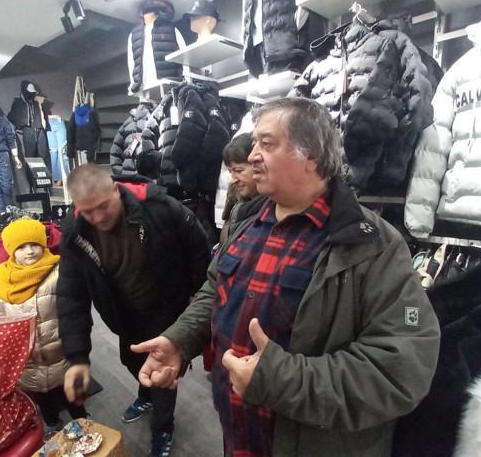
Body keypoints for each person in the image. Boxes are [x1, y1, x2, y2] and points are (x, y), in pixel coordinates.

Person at [131, 97, 440, 457]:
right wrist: (180, 340)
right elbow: (215, 289)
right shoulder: (246, 223)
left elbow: (401, 369)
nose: (252, 156)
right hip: (239, 436)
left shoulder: (373, 246)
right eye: (254, 144)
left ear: (311, 156)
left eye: (267, 143)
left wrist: (279, 380)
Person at [56, 166, 210, 457]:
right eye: (88, 212)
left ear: (116, 190)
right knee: (131, 361)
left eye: (104, 206)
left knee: (162, 374)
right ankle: (146, 394)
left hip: (166, 307)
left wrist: (197, 296)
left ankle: (162, 426)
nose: (98, 217)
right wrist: (77, 357)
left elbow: (198, 246)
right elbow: (71, 295)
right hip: (122, 313)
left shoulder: (159, 207)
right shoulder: (76, 232)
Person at [0, 218, 88, 435]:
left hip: (59, 350)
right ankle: (51, 422)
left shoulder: (59, 271)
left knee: (70, 392)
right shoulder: (1, 280)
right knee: (41, 395)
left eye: (35, 244)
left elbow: (73, 309)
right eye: (21, 247)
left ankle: (81, 419)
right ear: (11, 250)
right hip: (27, 357)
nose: (30, 251)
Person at [218, 132, 264, 246]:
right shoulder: (235, 202)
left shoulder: (269, 213)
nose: (233, 179)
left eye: (238, 170)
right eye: (230, 172)